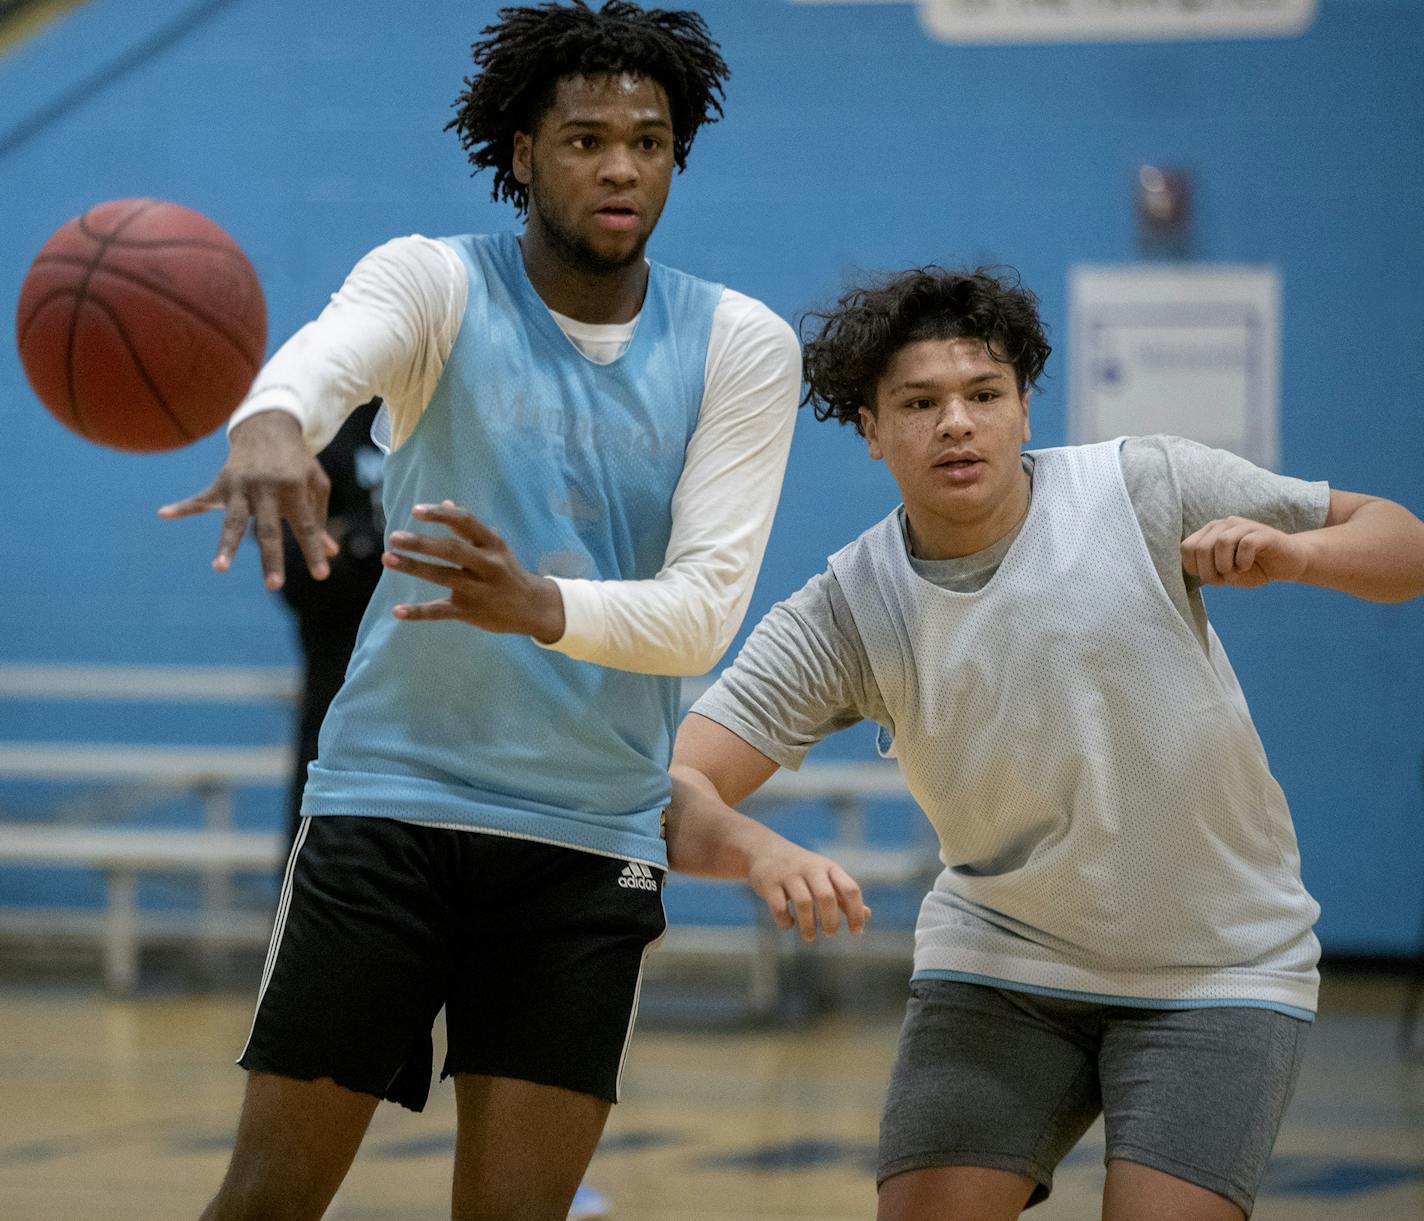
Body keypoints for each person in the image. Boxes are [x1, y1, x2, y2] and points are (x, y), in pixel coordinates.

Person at [158, 5, 801, 1218]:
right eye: (584, 138)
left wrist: (537, 603)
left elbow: (703, 612)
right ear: (519, 150)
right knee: (263, 1204)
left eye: (649, 140)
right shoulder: (437, 281)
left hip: (587, 839)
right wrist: (270, 416)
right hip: (390, 809)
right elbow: (334, 350)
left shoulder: (741, 345)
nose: (619, 165)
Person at [666, 266, 1424, 1221]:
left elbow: (1403, 544)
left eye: (984, 394)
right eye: (920, 402)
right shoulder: (848, 610)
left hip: (1217, 961)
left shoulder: (1143, 485)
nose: (957, 422)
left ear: (1024, 406)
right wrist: (754, 847)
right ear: (869, 427)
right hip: (1005, 959)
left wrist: (1300, 554)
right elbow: (675, 786)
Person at [275, 397, 385, 855]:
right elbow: (298, 575)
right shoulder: (323, 427)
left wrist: (355, 539)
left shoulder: (458, 415)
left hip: (446, 720)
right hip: (337, 710)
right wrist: (381, 546)